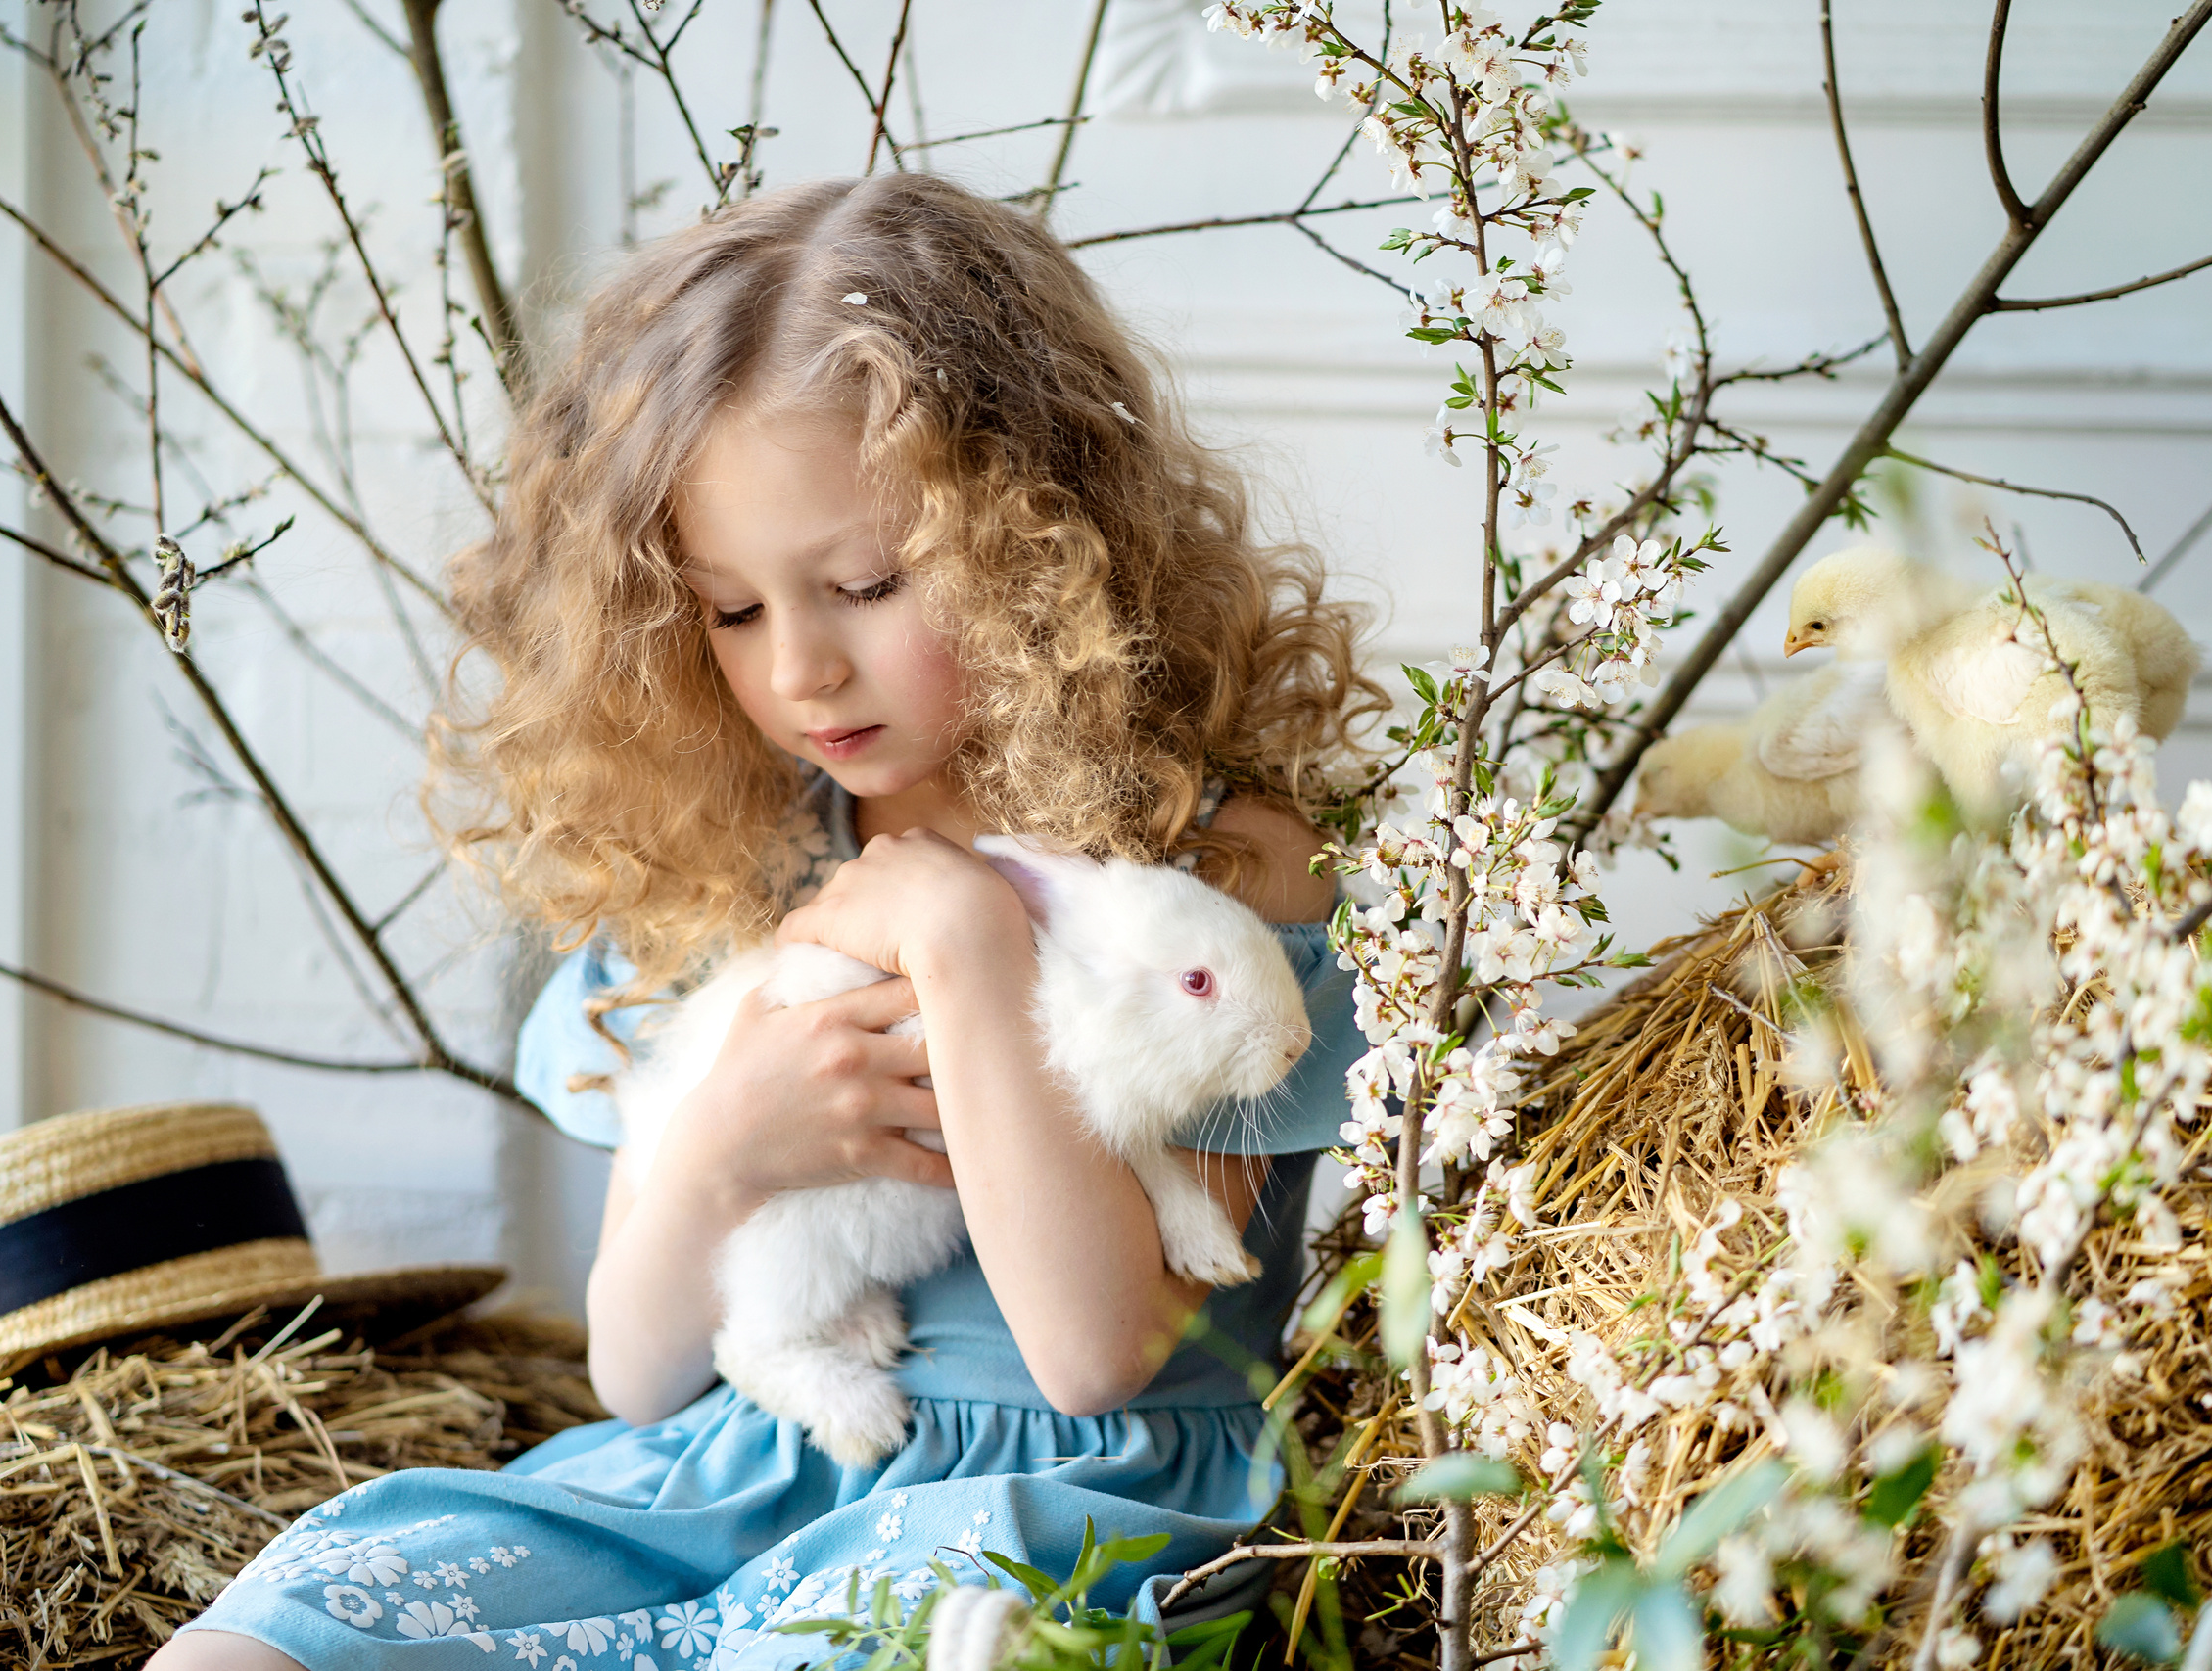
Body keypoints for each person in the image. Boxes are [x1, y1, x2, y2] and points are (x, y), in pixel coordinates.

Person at [158, 172, 1382, 1671]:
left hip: (1042, 1512)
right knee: (275, 1637)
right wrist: (725, 1141)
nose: (800, 669)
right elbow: (636, 1370)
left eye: (863, 584)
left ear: (1038, 546)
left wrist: (960, 937)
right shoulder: (737, 862)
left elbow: (1093, 1356)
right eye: (732, 611)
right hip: (733, 1470)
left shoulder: (1207, 872)